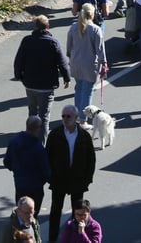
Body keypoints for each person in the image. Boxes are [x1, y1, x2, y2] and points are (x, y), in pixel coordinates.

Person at [13, 15, 71, 144]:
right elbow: (62, 62)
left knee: (32, 114)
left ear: (35, 26)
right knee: (44, 117)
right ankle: (41, 145)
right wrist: (66, 77)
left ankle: (30, 141)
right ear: (48, 26)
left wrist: (19, 76)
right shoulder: (52, 42)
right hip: (46, 86)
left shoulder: (26, 40)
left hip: (30, 84)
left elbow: (18, 60)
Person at [46, 104, 96, 243]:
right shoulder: (55, 134)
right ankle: (52, 239)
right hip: (59, 180)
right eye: (63, 116)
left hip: (77, 181)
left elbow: (91, 159)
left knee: (78, 213)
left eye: (68, 116)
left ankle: (75, 238)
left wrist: (87, 180)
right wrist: (50, 178)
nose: (65, 119)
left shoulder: (84, 136)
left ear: (76, 118)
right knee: (55, 210)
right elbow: (47, 157)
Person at [4, 117, 52, 216]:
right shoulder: (38, 147)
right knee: (32, 215)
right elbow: (45, 170)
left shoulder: (14, 141)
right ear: (37, 129)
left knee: (21, 213)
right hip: (35, 187)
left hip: (20, 184)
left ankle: (20, 229)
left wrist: (17, 170)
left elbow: (7, 162)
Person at [66, 3, 108, 113]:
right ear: (92, 14)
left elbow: (68, 48)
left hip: (76, 63)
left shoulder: (73, 27)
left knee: (79, 89)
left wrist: (71, 58)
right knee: (87, 91)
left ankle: (76, 115)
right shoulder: (95, 30)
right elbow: (100, 50)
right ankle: (83, 118)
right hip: (89, 66)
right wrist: (104, 62)